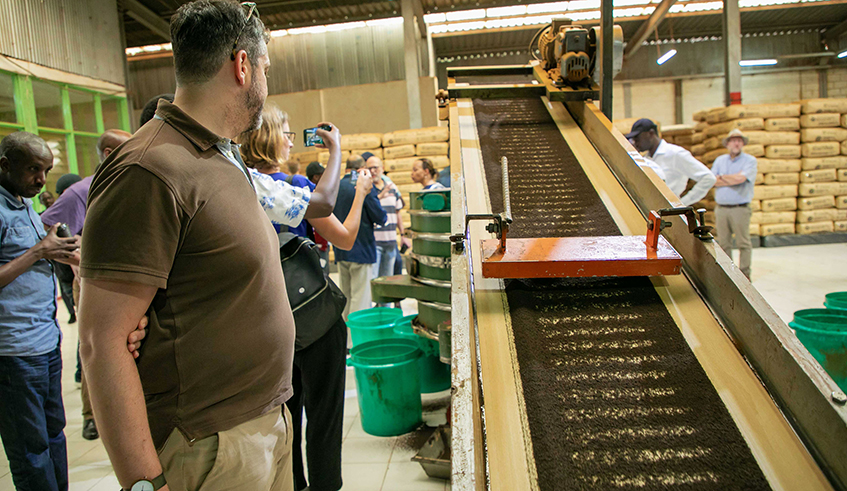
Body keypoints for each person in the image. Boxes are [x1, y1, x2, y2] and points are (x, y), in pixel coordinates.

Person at [79, 2, 342, 490]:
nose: (266, 81)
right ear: (242, 66)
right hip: (211, 444)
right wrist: (144, 483)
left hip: (265, 420)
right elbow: (101, 341)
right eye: (265, 69)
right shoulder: (148, 169)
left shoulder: (222, 153)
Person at [241, 116, 374, 491]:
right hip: (313, 319)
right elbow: (344, 238)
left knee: (286, 417)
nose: (290, 140)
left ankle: (293, 484)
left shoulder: (238, 186)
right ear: (269, 139)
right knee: (324, 418)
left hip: (268, 324)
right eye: (286, 133)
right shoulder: (295, 187)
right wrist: (360, 192)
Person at [0, 131, 80, 491]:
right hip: (14, 352)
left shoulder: (24, 205)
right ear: (5, 165)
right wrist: (38, 252)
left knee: (54, 435)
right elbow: (31, 257)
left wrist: (63, 251)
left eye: (46, 170)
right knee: (30, 449)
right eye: (33, 169)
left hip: (45, 343)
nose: (41, 180)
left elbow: (37, 258)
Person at [40, 129, 132, 442]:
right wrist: (77, 258)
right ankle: (91, 416)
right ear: (108, 153)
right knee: (95, 348)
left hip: (128, 280)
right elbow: (47, 228)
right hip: (94, 282)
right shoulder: (82, 190)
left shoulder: (129, 183)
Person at [333, 154, 387, 320]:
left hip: (340, 249)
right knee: (361, 300)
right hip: (362, 248)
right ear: (362, 168)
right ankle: (356, 336)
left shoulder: (335, 187)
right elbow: (379, 217)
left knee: (346, 297)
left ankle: (345, 335)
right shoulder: (364, 186)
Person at [627, 118, 715, 205]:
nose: (635, 142)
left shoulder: (675, 154)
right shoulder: (646, 159)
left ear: (651, 133)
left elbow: (708, 178)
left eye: (637, 138)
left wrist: (682, 203)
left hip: (671, 208)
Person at [712, 128, 757, 279]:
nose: (736, 143)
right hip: (721, 209)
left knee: (743, 243)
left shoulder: (750, 161)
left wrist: (722, 177)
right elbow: (712, 181)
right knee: (723, 244)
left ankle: (744, 275)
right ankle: (728, 275)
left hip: (740, 209)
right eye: (733, 141)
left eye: (739, 141)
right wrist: (732, 178)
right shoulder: (719, 160)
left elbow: (741, 179)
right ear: (728, 144)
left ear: (743, 143)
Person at [367, 156, 403, 281]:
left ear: (382, 168)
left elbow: (398, 212)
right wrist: (381, 195)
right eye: (369, 168)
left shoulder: (392, 187)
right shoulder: (366, 189)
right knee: (373, 280)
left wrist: (403, 235)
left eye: (375, 168)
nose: (373, 171)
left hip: (391, 242)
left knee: (388, 280)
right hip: (374, 243)